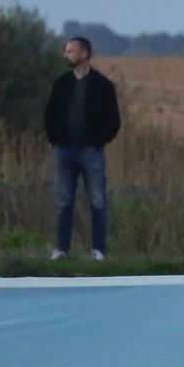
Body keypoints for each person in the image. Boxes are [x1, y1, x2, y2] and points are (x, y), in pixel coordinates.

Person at [43, 35, 120, 261]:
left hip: (91, 152)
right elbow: (50, 113)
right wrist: (54, 137)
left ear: (84, 54)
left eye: (70, 51)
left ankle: (98, 250)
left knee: (97, 200)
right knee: (64, 200)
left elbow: (113, 119)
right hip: (64, 151)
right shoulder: (62, 84)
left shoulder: (102, 85)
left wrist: (99, 141)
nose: (67, 55)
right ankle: (62, 248)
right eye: (66, 51)